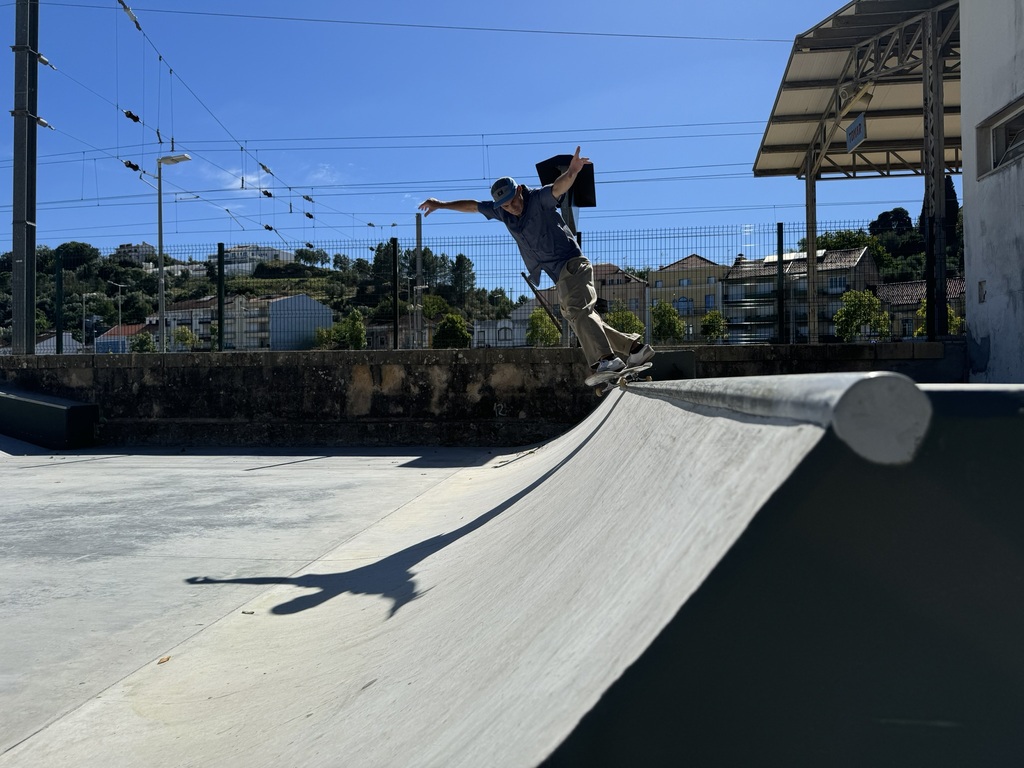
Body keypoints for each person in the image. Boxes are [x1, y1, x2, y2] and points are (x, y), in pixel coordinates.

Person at [418, 146, 654, 382]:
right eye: (506, 206)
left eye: (513, 202)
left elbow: (558, 188)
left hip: (572, 265)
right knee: (581, 317)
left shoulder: (537, 199)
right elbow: (472, 205)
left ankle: (606, 359)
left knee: (578, 311)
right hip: (559, 275)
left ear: (519, 190)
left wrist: (572, 172)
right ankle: (633, 348)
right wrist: (440, 204)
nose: (512, 208)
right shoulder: (502, 212)